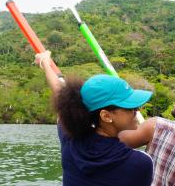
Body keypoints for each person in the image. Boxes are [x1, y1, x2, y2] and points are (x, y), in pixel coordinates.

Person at [35, 51, 154, 186]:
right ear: (106, 116)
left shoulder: (70, 140)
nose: (137, 111)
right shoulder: (140, 163)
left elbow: (59, 92)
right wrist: (45, 62)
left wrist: (45, 62)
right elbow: (59, 92)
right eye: (130, 108)